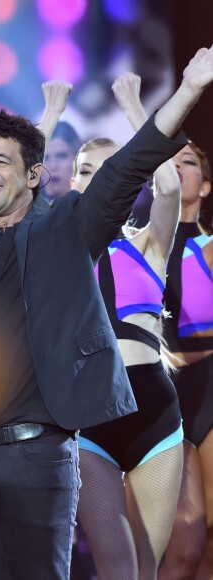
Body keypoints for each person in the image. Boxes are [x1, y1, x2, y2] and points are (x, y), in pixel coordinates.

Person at [0, 46, 213, 579]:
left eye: (0, 161)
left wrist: (189, 90)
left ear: (34, 176)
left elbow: (130, 167)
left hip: (36, 458)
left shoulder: (68, 227)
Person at [72, 73, 183, 579]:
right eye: (83, 170)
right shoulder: (61, 251)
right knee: (116, 568)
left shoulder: (149, 245)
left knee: (147, 568)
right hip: (90, 414)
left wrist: (135, 107)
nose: (93, 178)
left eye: (108, 169)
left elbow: (169, 185)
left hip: (153, 409)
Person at [158, 142, 213, 577]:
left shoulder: (210, 248)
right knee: (181, 547)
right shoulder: (132, 245)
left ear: (206, 185)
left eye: (188, 163)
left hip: (207, 395)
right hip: (158, 402)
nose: (178, 169)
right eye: (169, 163)